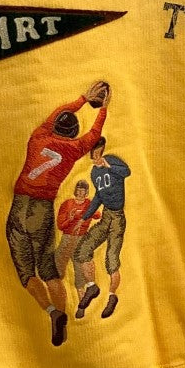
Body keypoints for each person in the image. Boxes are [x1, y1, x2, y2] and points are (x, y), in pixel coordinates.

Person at [6, 81, 110, 345]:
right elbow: (94, 134)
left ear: (53, 126)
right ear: (73, 134)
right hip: (41, 209)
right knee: (48, 270)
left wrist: (83, 99)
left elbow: (57, 114)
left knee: (26, 273)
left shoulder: (38, 137)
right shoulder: (73, 150)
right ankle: (61, 314)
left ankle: (52, 311)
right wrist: (102, 108)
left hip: (19, 205)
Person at [74, 137, 131, 320]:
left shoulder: (112, 161)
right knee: (83, 250)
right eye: (93, 156)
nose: (96, 159)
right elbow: (98, 196)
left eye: (98, 154)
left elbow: (127, 172)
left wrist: (108, 165)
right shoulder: (94, 173)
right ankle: (92, 287)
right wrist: (84, 217)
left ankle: (112, 297)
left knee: (111, 259)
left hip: (117, 218)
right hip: (106, 216)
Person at [55, 180, 101, 292]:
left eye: (83, 190)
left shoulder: (89, 204)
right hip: (67, 237)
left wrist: (85, 213)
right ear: (75, 190)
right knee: (57, 265)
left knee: (80, 270)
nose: (80, 192)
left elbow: (98, 215)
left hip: (81, 239)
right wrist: (70, 219)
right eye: (79, 190)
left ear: (86, 192)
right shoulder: (67, 203)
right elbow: (60, 225)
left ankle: (82, 296)